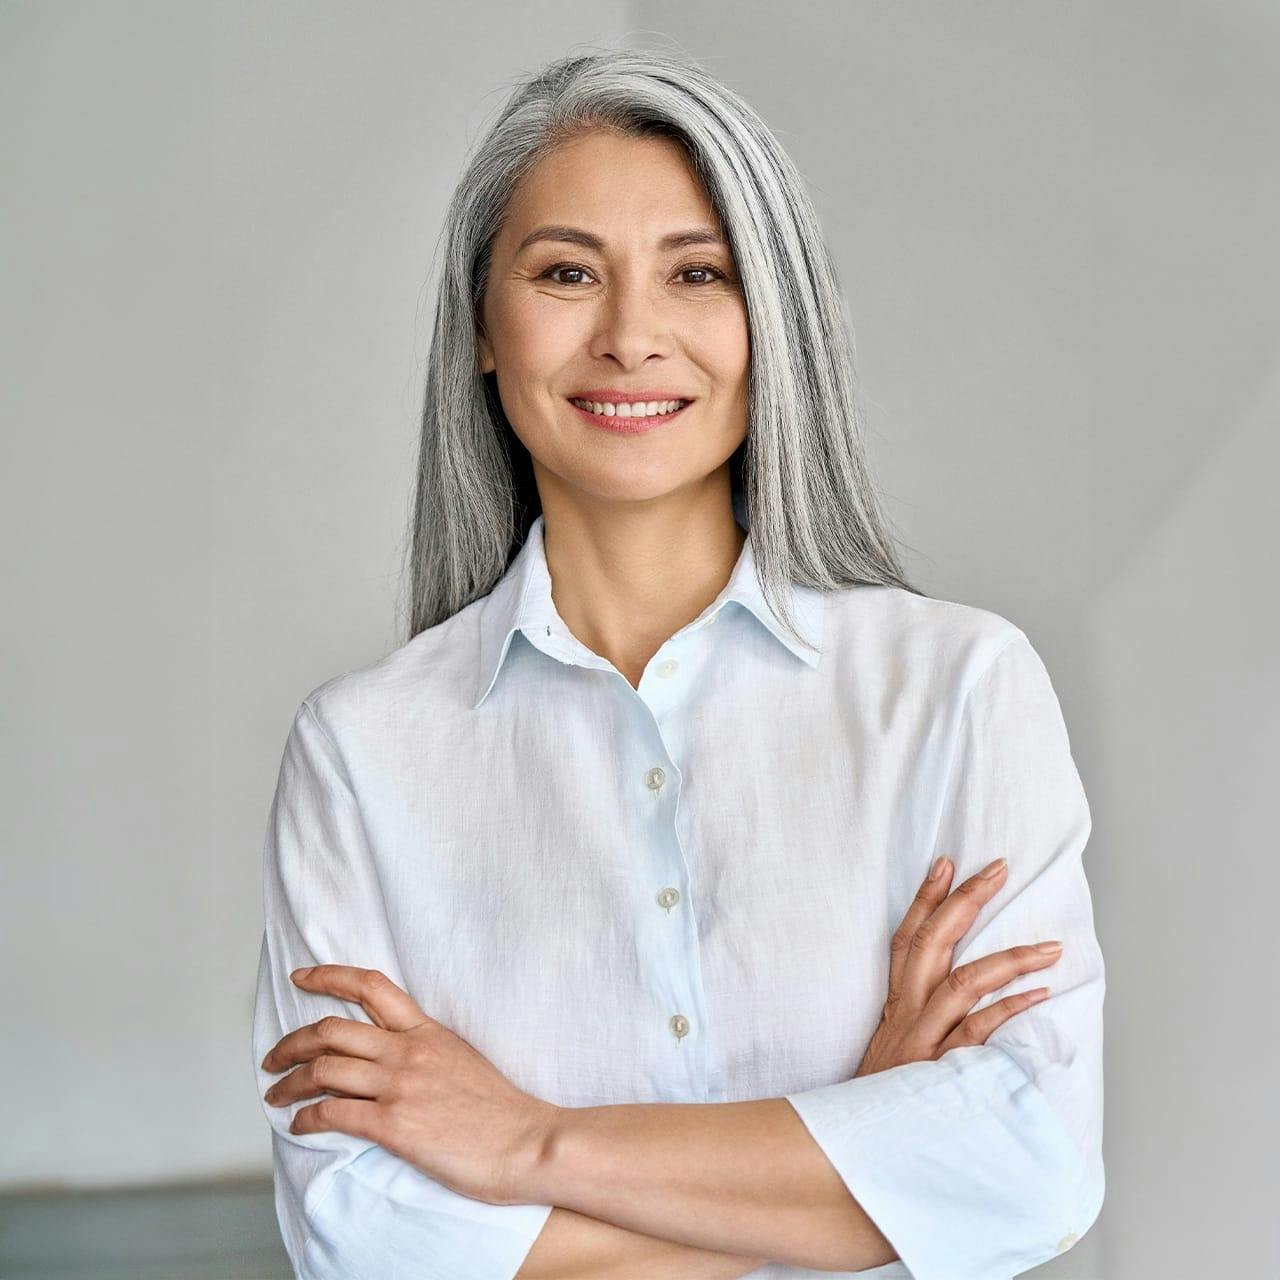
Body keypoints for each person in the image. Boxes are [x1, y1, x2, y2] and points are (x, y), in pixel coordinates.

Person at [251, 47, 1105, 1280]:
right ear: (482, 330)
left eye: (696, 273)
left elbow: (1030, 1170)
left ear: (771, 324)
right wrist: (855, 1144)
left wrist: (527, 1142)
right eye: (563, 273)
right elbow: (363, 1235)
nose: (630, 335)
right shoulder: (361, 750)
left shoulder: (958, 690)